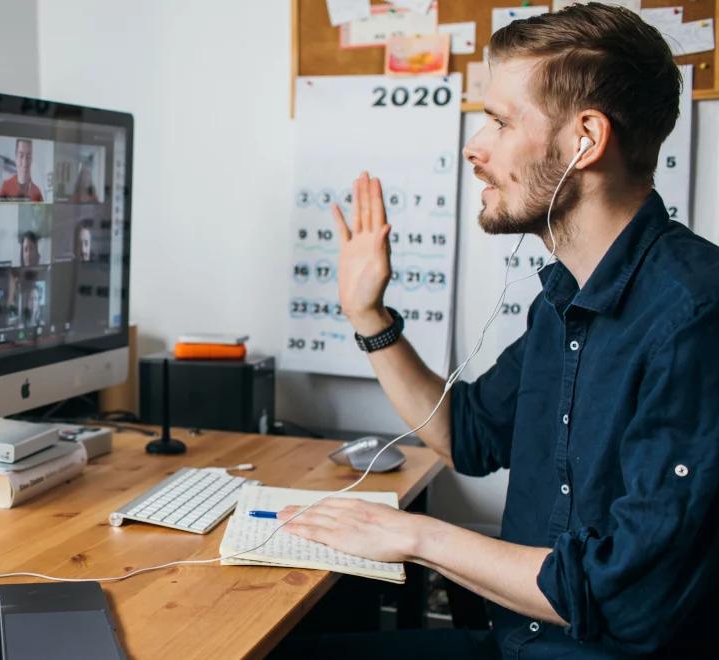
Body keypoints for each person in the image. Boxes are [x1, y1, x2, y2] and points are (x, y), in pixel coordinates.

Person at [277, 5, 719, 658]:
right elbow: (469, 435)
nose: (473, 147)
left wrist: (415, 538)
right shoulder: (563, 301)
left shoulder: (694, 316)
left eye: (500, 121)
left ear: (585, 141)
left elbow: (624, 597)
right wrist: (368, 315)